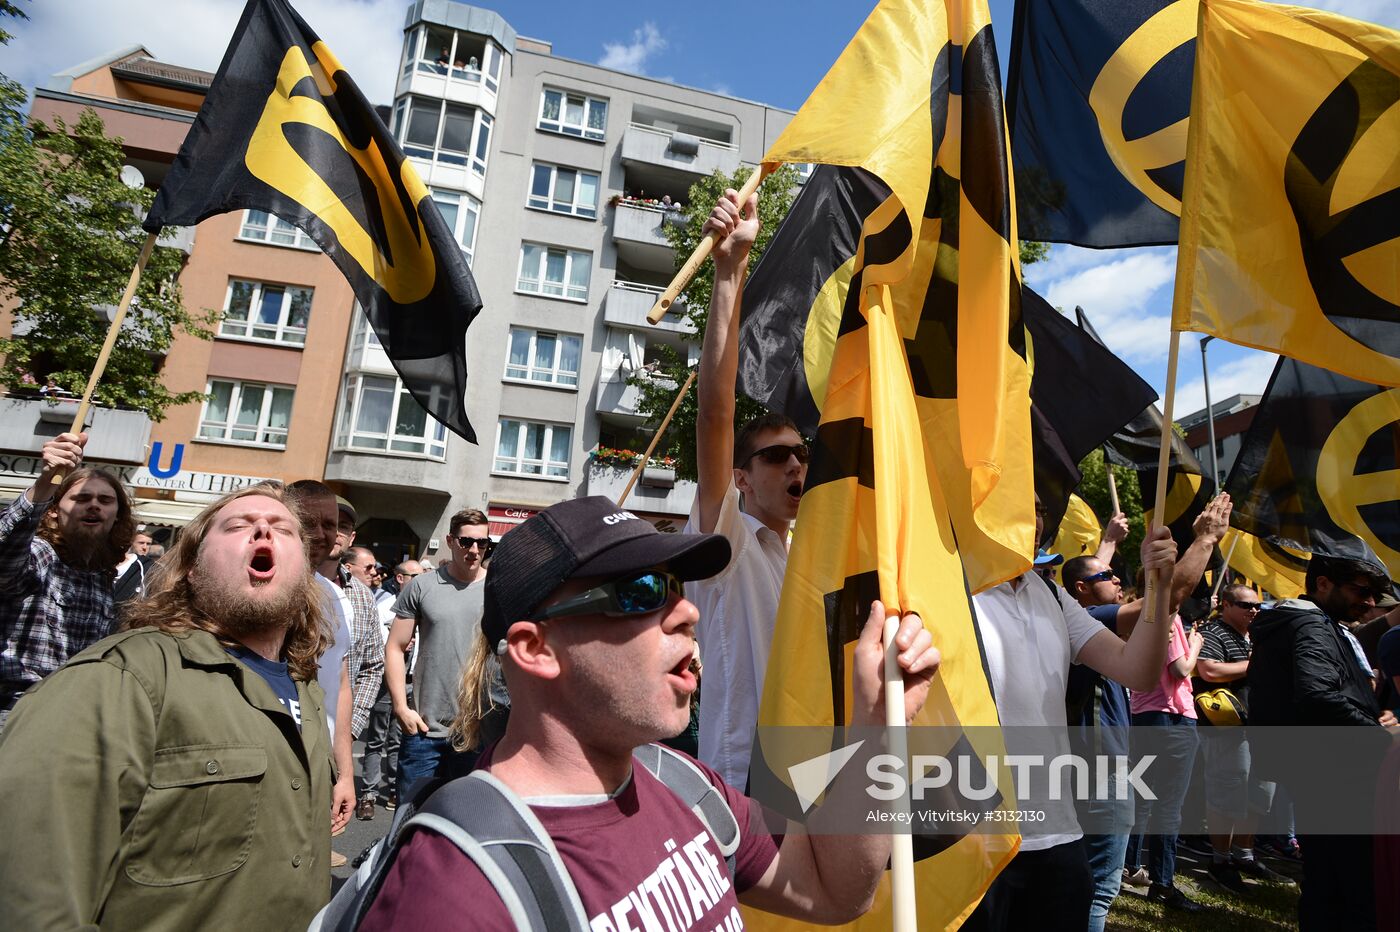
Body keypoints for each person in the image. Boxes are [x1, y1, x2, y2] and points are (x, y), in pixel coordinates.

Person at [358, 496, 941, 930]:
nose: (686, 610)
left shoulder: (683, 782)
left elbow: (835, 891)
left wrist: (875, 731)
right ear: (537, 649)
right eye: (640, 591)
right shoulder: (457, 888)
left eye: (675, 586)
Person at [0, 483, 335, 930]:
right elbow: (33, 901)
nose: (262, 531)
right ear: (192, 570)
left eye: (284, 529)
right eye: (237, 525)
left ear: (305, 570)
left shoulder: (306, 689)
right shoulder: (118, 680)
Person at [964, 493, 1179, 932]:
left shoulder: (1051, 594)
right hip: (971, 840)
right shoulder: (941, 586)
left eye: (1039, 507)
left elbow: (1137, 670)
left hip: (1057, 834)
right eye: (1021, 499)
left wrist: (1159, 587)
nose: (1034, 518)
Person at [1062, 493, 1232, 929]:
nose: (1119, 580)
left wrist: (1109, 543)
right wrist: (1206, 541)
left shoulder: (1081, 616)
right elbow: (1168, 599)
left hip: (1090, 766)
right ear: (1082, 590)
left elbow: (1100, 578)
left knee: (1075, 885)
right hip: (1099, 771)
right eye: (1109, 576)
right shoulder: (1089, 619)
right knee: (1099, 889)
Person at [686, 188, 808, 789]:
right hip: (743, 786)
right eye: (777, 456)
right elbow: (715, 416)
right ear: (739, 478)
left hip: (811, 776)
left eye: (802, 455)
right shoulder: (724, 541)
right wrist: (731, 271)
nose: (796, 467)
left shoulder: (804, 552)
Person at [1250, 549, 1398, 931]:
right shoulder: (1311, 626)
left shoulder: (1315, 623)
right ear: (1322, 583)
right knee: (1351, 889)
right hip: (1338, 776)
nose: (1368, 603)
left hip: (1324, 772)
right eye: (1361, 591)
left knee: (1329, 884)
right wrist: (1380, 735)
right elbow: (1317, 695)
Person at [1, 431, 134, 730]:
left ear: (117, 516)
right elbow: (5, 555)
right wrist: (45, 483)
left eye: (105, 500)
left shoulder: (102, 576)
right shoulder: (41, 554)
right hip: (16, 713)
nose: (94, 505)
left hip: (70, 718)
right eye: (81, 498)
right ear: (52, 514)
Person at [387, 509, 503, 800]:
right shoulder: (421, 586)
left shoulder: (498, 588)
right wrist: (401, 707)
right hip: (425, 730)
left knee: (462, 823)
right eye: (466, 542)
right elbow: (395, 647)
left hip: (478, 730)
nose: (475, 550)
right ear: (451, 540)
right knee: (409, 821)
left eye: (482, 543)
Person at [1192, 584, 1290, 895]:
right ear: (1226, 606)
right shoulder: (1213, 632)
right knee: (1228, 792)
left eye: (1257, 606)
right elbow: (1208, 670)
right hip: (1228, 727)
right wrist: (1257, 664)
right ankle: (1220, 861)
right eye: (1245, 605)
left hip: (1263, 726)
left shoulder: (1256, 636)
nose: (1253, 611)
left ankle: (1245, 854)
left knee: (1261, 794)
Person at [285, 480, 358, 860]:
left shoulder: (334, 597)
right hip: (272, 766)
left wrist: (344, 773)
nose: (321, 533)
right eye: (309, 521)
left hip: (319, 767)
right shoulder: (257, 586)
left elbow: (340, 686)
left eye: (329, 524)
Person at [322, 506, 385, 823]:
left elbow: (373, 666)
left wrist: (349, 728)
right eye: (327, 523)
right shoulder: (285, 581)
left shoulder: (360, 595)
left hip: (336, 732)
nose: (334, 532)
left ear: (352, 537)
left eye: (343, 526)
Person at [360, 559, 425, 813]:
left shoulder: (423, 604)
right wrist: (394, 641)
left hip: (411, 681)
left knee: (400, 740)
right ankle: (368, 793)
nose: (420, 581)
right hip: (386, 683)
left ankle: (394, 789)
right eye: (415, 576)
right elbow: (375, 641)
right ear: (400, 578)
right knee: (376, 739)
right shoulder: (384, 606)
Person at [113, 530, 155, 605]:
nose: (145, 547)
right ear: (131, 543)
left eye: (148, 544)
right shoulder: (114, 561)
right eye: (141, 543)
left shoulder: (151, 567)